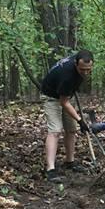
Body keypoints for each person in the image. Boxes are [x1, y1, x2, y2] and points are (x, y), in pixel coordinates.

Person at [40, 50, 94, 183]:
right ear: (76, 64)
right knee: (55, 130)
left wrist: (77, 122)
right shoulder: (67, 76)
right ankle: (50, 169)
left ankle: (70, 162)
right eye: (82, 70)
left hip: (66, 96)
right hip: (51, 97)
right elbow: (63, 102)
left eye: (88, 69)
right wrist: (80, 120)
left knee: (71, 129)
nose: (86, 72)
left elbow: (66, 99)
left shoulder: (79, 61)